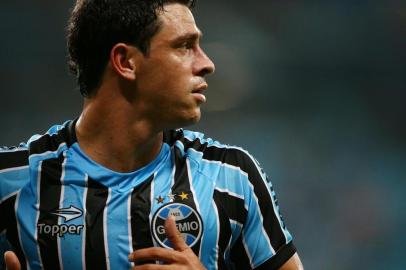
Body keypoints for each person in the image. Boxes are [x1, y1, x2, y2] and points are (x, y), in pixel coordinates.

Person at [0, 0, 304, 269]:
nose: (207, 64)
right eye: (185, 46)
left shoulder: (231, 178)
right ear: (125, 61)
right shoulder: (10, 182)